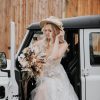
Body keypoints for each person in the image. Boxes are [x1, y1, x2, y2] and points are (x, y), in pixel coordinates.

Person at [30, 16, 78, 100]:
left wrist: (57, 39)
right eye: (45, 30)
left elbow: (55, 56)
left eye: (50, 30)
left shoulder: (63, 45)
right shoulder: (42, 43)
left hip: (55, 78)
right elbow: (30, 50)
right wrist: (33, 60)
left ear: (55, 32)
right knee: (42, 90)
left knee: (46, 90)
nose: (47, 33)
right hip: (44, 76)